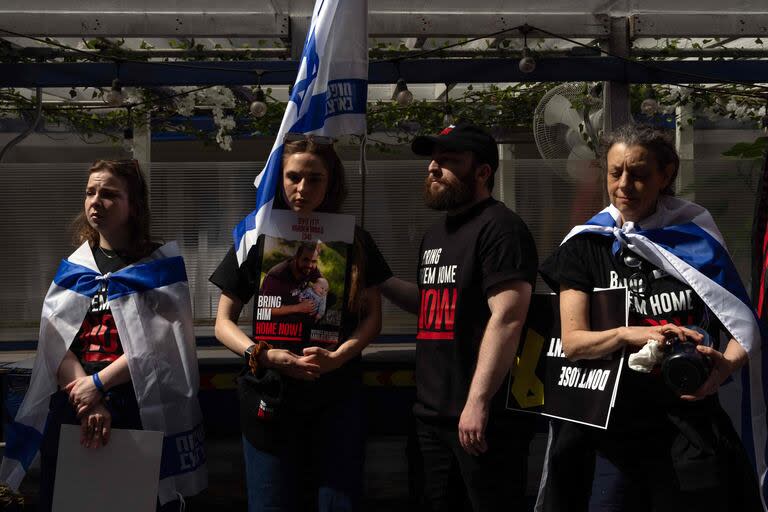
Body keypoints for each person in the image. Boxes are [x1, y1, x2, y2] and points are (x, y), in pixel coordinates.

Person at [538, 124, 764, 511]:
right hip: (612, 438)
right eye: (615, 173)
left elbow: (740, 324)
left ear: (666, 175)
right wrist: (633, 335)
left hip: (690, 430)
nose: (625, 184)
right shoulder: (585, 246)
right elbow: (574, 343)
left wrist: (723, 369)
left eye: (639, 174)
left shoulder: (695, 239)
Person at [0, 160, 207, 511]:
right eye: (90, 192)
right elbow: (55, 343)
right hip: (75, 403)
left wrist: (99, 385)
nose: (96, 201)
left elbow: (164, 345)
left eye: (109, 194)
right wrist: (88, 396)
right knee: (69, 501)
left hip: (137, 403)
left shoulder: (159, 266)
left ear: (133, 205)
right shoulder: (74, 268)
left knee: (130, 501)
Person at [210, 134, 392, 511]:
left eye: (315, 179)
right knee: (270, 502)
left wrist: (339, 356)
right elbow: (223, 322)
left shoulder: (355, 240)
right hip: (270, 394)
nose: (302, 188)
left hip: (336, 395)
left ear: (332, 182)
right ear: (279, 178)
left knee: (338, 503)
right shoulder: (256, 237)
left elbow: (373, 318)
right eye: (293, 177)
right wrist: (263, 354)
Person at [382, 124, 538, 511]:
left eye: (449, 160)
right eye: (433, 160)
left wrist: (478, 402)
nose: (434, 168)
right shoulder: (436, 234)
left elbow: (508, 318)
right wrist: (379, 278)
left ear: (483, 172)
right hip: (430, 416)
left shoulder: (502, 229)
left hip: (482, 420)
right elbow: (433, 304)